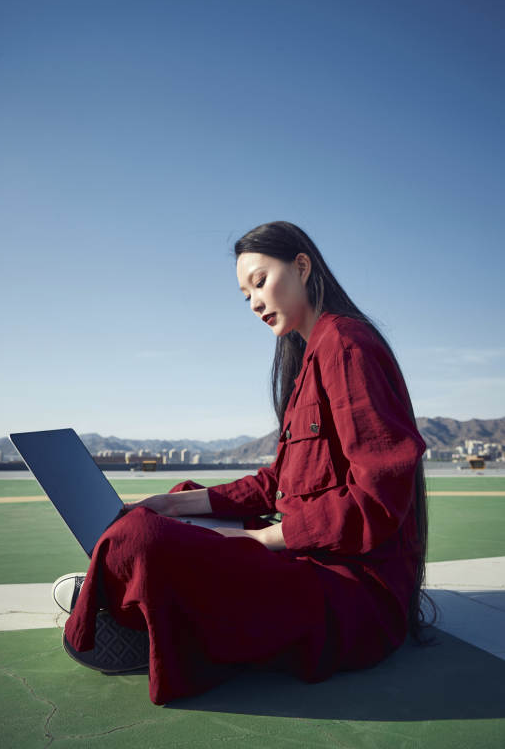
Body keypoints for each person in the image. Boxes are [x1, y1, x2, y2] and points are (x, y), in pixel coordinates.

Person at [55, 221, 434, 705]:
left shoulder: (346, 345)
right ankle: (138, 602)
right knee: (174, 505)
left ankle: (129, 605)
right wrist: (172, 505)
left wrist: (260, 539)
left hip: (352, 596)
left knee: (142, 538)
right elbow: (280, 483)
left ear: (301, 266)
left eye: (260, 281)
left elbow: (378, 501)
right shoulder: (310, 356)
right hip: (311, 559)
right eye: (244, 294)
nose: (254, 302)